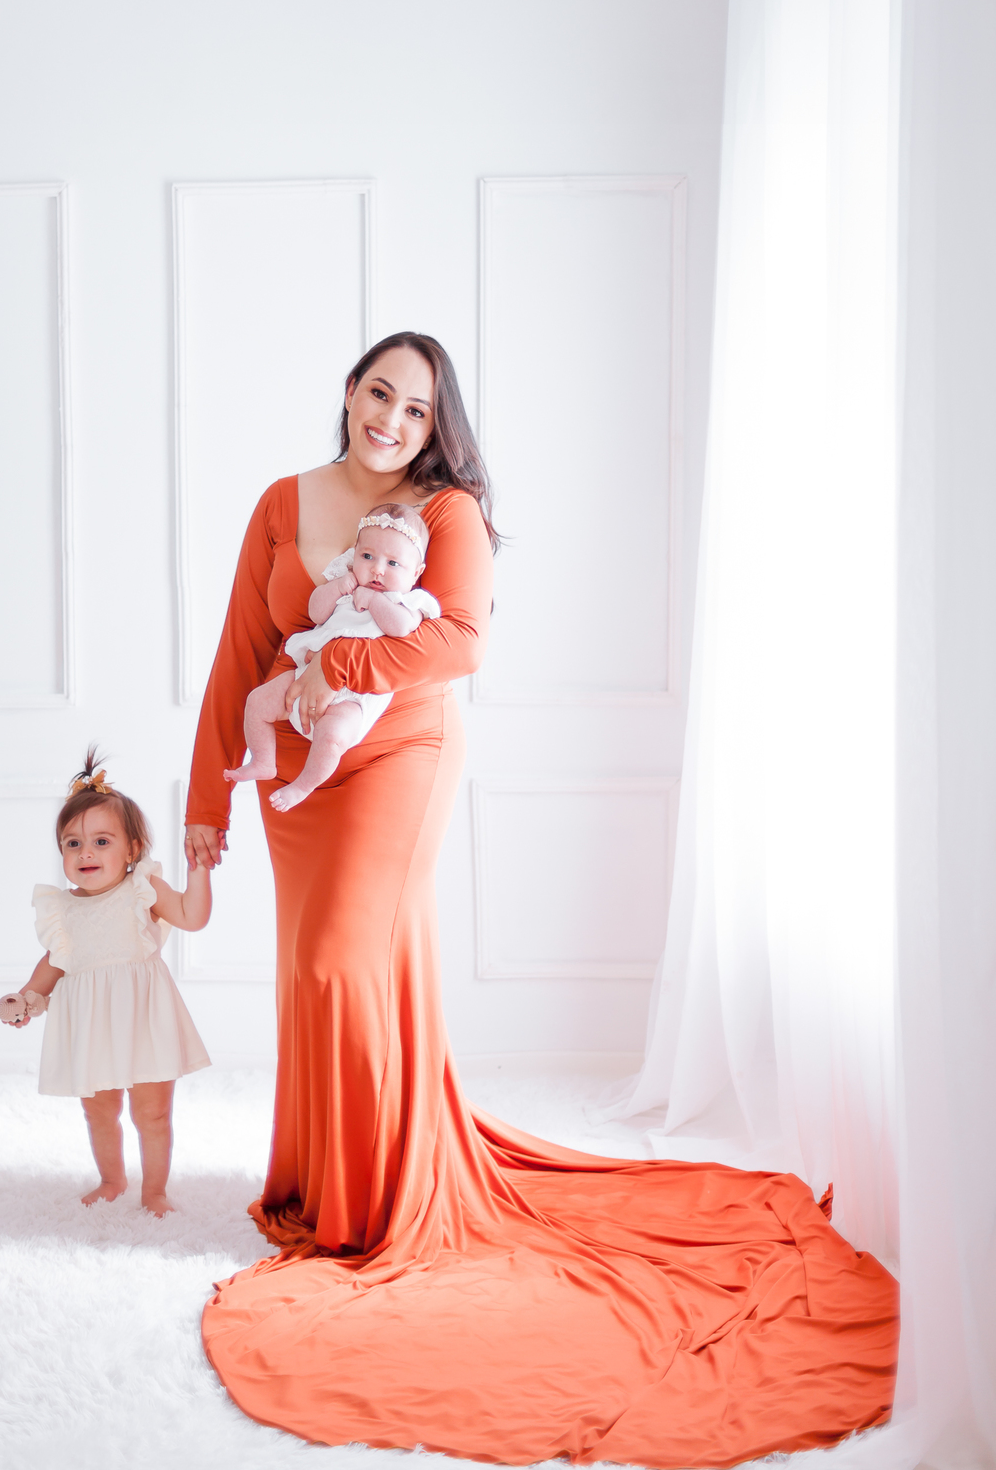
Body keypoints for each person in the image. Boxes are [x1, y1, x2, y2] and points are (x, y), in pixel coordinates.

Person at [184, 332, 898, 1466]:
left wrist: (331, 669)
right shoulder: (282, 501)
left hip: (395, 756)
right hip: (292, 779)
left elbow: (458, 644)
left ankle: (377, 1210)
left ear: (437, 426)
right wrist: (205, 807)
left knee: (341, 959)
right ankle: (334, 1188)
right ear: (350, 391)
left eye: (417, 410)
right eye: (380, 393)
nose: (391, 420)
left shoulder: (449, 511)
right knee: (314, 971)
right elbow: (239, 650)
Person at [0, 751, 212, 1217]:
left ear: (132, 850)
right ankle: (112, 1178)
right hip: (91, 1028)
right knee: (98, 1111)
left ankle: (155, 1190)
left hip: (144, 1021)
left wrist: (200, 869)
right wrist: (26, 999)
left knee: (152, 1113)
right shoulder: (63, 910)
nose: (85, 853)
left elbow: (192, 917)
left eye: (101, 841)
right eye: (72, 844)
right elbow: (52, 966)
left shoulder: (142, 890)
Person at [224, 501, 440, 812]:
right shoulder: (346, 584)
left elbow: (401, 628)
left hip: (355, 695)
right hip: (306, 674)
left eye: (393, 563)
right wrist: (339, 587)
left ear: (416, 572)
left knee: (333, 736)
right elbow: (316, 612)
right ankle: (263, 760)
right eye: (367, 556)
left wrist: (373, 601)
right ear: (354, 555)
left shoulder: (408, 602)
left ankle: (303, 785)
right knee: (257, 702)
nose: (377, 569)